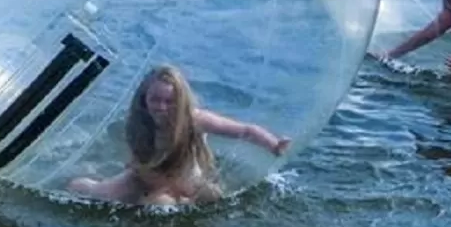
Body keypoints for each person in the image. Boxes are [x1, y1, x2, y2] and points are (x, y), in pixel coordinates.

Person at [67, 64, 290, 208]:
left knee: (164, 206)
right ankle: (84, 180)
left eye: (169, 101)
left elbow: (245, 131)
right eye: (155, 99)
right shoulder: (139, 120)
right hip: (145, 178)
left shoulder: (194, 120)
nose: (161, 107)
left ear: (181, 100)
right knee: (90, 192)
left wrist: (274, 145)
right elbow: (138, 158)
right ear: (144, 97)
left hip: (186, 184)